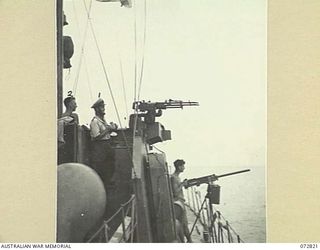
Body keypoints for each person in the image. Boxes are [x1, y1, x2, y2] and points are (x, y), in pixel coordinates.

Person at [89, 98, 118, 187]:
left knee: (109, 166)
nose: (103, 109)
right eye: (102, 107)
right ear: (97, 109)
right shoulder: (95, 122)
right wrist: (108, 129)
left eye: (103, 107)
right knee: (101, 168)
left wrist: (113, 127)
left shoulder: (103, 121)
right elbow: (96, 137)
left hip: (107, 146)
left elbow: (106, 131)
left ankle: (108, 184)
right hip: (100, 147)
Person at [171, 159, 192, 243]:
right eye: (183, 166)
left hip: (180, 201)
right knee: (184, 223)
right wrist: (183, 184)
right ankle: (189, 241)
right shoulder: (174, 177)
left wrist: (183, 183)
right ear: (179, 167)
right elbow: (175, 192)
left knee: (183, 223)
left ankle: (185, 241)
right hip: (178, 202)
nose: (184, 167)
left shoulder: (177, 177)